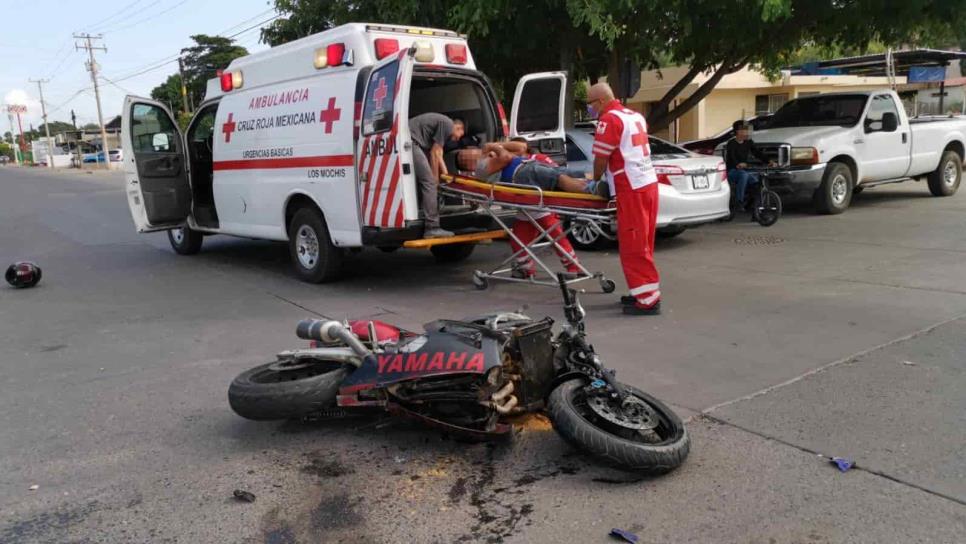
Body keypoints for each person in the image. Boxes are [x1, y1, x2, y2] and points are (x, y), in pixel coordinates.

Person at [587, 82, 661, 316]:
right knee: (644, 242)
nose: (589, 108)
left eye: (589, 104)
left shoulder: (609, 119)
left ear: (600, 101)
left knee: (633, 244)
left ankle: (648, 299)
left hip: (631, 187)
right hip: (648, 183)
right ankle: (642, 291)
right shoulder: (634, 115)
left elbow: (601, 157)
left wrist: (595, 179)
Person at [474, 141, 609, 196]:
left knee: (571, 172)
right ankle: (593, 189)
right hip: (521, 174)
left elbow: (522, 147)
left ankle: (604, 182)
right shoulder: (481, 168)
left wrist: (498, 144)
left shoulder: (494, 157)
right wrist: (494, 147)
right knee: (557, 178)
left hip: (528, 166)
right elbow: (506, 158)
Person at [409, 113, 465, 238]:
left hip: (410, 139)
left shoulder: (444, 125)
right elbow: (434, 153)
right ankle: (432, 227)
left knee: (427, 181)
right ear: (458, 128)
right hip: (410, 141)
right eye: (461, 135)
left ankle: (426, 215)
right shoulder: (447, 125)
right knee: (429, 182)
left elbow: (439, 154)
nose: (459, 139)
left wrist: (446, 176)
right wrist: (435, 180)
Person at [725, 120, 775, 210]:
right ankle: (739, 201)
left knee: (757, 180)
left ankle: (754, 206)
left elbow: (757, 153)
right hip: (732, 171)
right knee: (743, 175)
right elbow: (731, 157)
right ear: (738, 131)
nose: (748, 132)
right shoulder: (731, 143)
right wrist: (738, 164)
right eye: (746, 130)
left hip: (744, 169)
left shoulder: (749, 142)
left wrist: (769, 161)